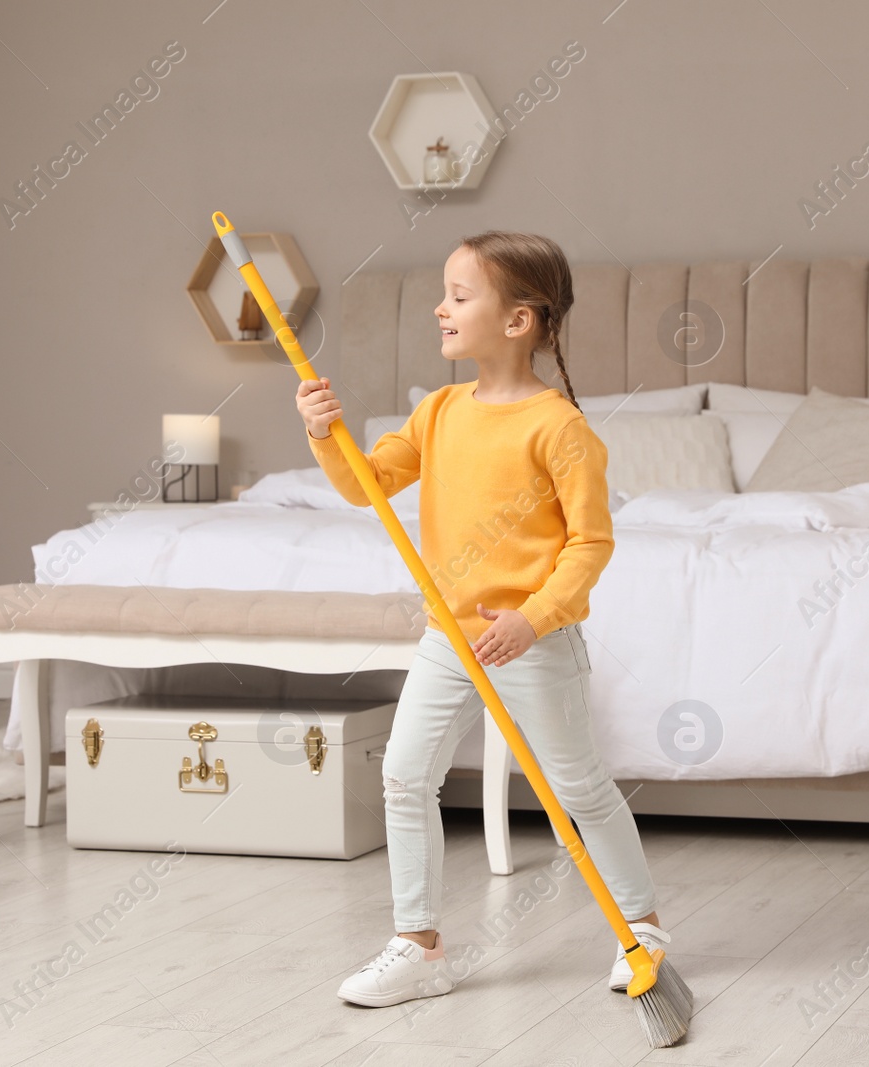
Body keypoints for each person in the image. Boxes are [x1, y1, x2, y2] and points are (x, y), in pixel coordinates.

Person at [297, 230, 668, 1009]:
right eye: (445, 292)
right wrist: (321, 431)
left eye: (460, 295)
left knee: (579, 788)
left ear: (518, 320)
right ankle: (419, 945)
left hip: (534, 639)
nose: (441, 307)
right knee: (404, 774)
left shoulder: (558, 427)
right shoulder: (437, 411)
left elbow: (590, 543)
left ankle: (642, 924)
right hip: (450, 635)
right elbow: (365, 486)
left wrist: (534, 619)